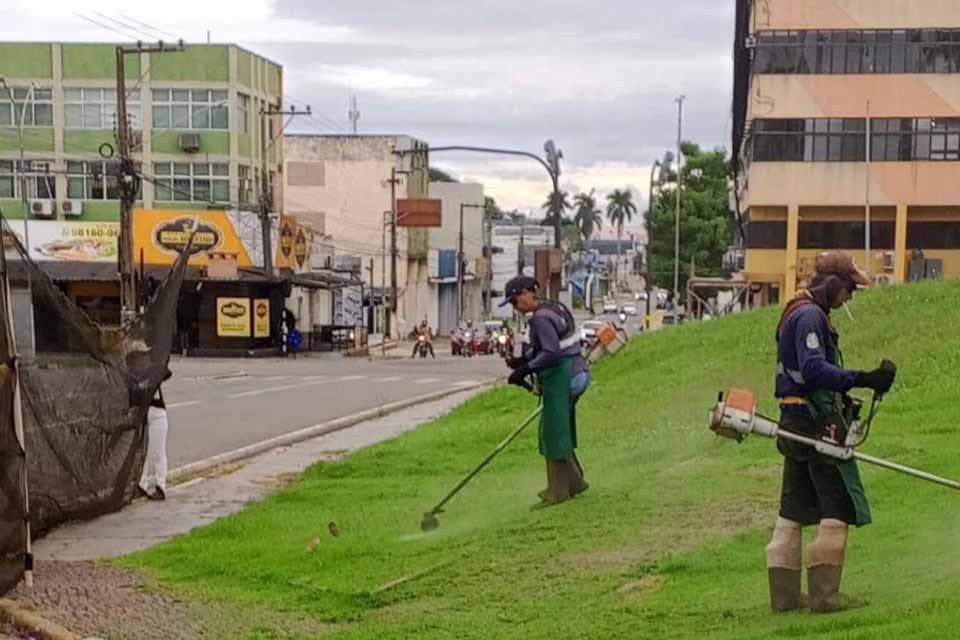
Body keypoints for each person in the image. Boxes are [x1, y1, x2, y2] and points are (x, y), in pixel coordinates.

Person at [766, 251, 896, 613]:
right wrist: (862, 378)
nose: (850, 297)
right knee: (836, 505)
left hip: (792, 419)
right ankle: (825, 596)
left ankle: (786, 597)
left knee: (793, 510)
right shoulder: (809, 316)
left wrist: (845, 392)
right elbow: (813, 370)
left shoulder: (796, 310)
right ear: (833, 283)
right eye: (849, 288)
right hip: (812, 422)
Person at [500, 275, 590, 505]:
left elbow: (551, 353)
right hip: (578, 372)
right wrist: (522, 361)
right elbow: (550, 345)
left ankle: (558, 493)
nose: (516, 308)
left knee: (553, 432)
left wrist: (525, 369)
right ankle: (575, 483)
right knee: (558, 430)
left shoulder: (539, 319)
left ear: (528, 293)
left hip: (564, 376)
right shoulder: (554, 307)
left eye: (515, 301)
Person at [139, 372, 172, 501]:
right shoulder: (134, 372)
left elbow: (166, 372)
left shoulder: (155, 369)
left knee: (158, 451)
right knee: (142, 452)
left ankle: (161, 486)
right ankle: (141, 484)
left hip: (157, 413)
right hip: (141, 413)